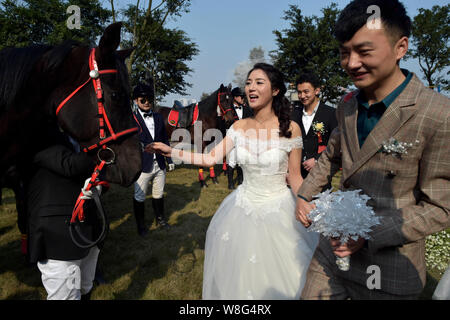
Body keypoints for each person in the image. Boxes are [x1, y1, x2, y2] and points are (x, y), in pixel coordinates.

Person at [296, 0, 450, 300]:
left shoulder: (438, 114)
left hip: (391, 267)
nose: (351, 63)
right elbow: (332, 155)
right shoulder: (347, 104)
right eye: (344, 53)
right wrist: (304, 193)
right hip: (331, 254)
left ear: (400, 48)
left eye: (364, 52)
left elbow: (442, 207)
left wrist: (368, 233)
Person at [149, 63, 319, 300]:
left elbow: (296, 177)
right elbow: (210, 159)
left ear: (276, 90)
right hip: (242, 211)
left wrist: (305, 201)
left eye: (259, 83)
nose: (251, 88)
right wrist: (171, 152)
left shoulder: (291, 129)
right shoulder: (238, 127)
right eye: (249, 83)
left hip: (280, 210)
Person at [26, 126, 103, 300]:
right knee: (66, 295)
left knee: (85, 287)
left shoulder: (82, 135)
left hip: (89, 225)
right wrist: (105, 148)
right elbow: (69, 165)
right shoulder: (40, 133)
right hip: (58, 234)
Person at [132, 83, 174, 236]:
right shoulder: (131, 119)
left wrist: (169, 161)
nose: (147, 102)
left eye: (150, 99)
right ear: (136, 101)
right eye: (143, 100)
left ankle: (160, 218)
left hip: (159, 163)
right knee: (139, 196)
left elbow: (164, 140)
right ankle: (141, 225)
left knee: (159, 193)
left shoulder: (157, 116)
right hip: (142, 164)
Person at [290, 73, 337, 190]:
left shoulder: (331, 113)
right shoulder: (293, 114)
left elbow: (336, 143)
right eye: (299, 92)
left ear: (316, 91)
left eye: (306, 92)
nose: (302, 96)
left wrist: (317, 159)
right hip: (296, 176)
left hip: (320, 176)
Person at [226, 87, 253, 189]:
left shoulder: (247, 109)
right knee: (232, 160)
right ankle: (230, 183)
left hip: (244, 138)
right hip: (233, 138)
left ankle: (241, 181)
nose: (243, 99)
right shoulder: (229, 109)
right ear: (235, 97)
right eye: (241, 97)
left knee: (242, 160)